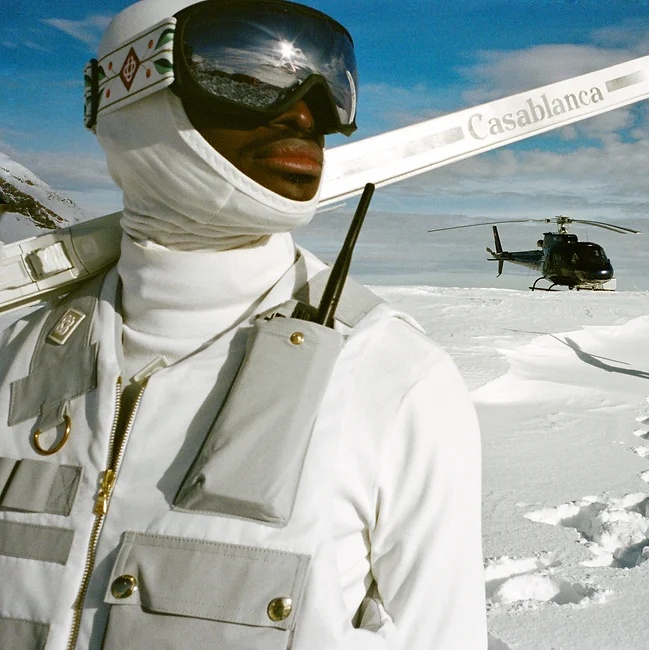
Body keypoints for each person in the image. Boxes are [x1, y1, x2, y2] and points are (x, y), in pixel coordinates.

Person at [0, 1, 486, 649]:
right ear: (127, 91)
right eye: (239, 72)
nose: (307, 113)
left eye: (328, 80)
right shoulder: (16, 344)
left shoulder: (392, 377)